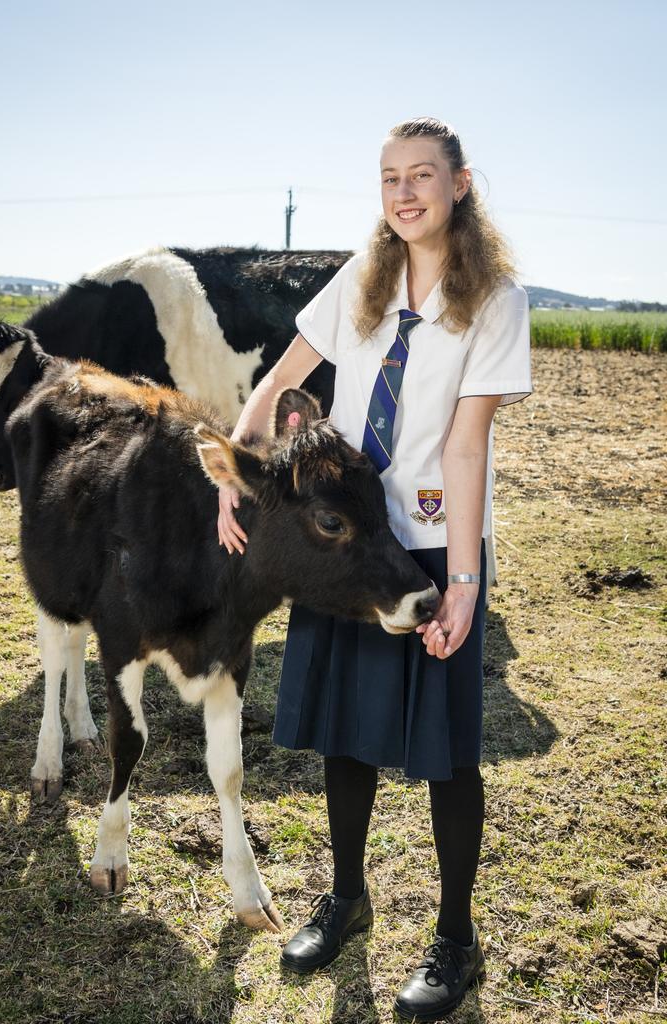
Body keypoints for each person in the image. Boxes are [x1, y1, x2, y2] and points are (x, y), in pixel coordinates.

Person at [216, 116, 532, 1021]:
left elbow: (467, 447)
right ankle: (346, 900)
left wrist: (464, 583)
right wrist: (234, 472)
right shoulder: (361, 280)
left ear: (459, 185)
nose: (404, 192)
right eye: (390, 177)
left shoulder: (494, 297)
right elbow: (285, 377)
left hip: (429, 545)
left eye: (422, 175)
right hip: (340, 544)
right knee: (348, 739)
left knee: (444, 754)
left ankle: (455, 939)